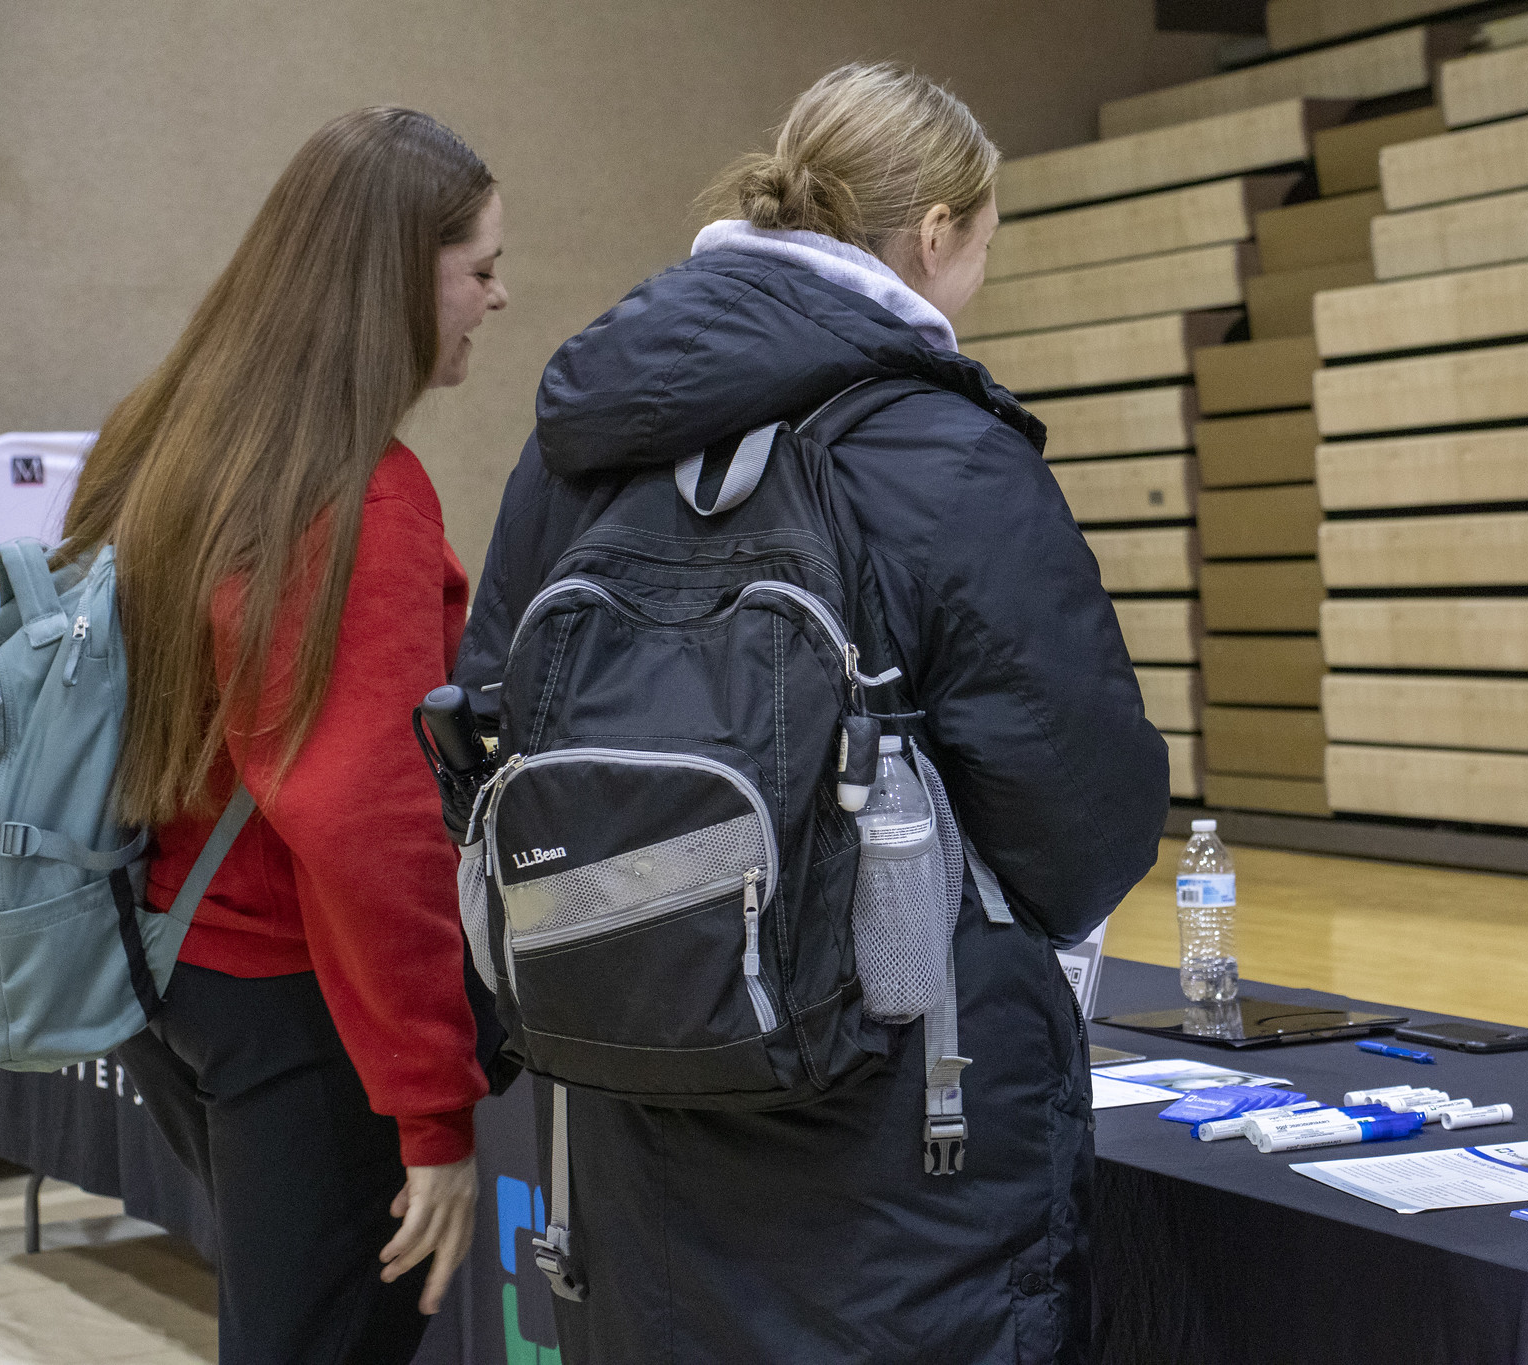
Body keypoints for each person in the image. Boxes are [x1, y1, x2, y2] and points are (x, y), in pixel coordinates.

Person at [454, 63, 1169, 1363]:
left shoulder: (577, 449)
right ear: (936, 234)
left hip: (633, 1094)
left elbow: (497, 721)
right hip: (899, 1149)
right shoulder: (946, 453)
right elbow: (1086, 818)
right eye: (986, 242)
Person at [56, 107, 508, 1360]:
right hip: (307, 1013)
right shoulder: (357, 495)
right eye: (478, 268)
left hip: (166, 969)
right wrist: (433, 1111)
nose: (497, 297)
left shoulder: (168, 437)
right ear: (395, 277)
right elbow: (368, 828)